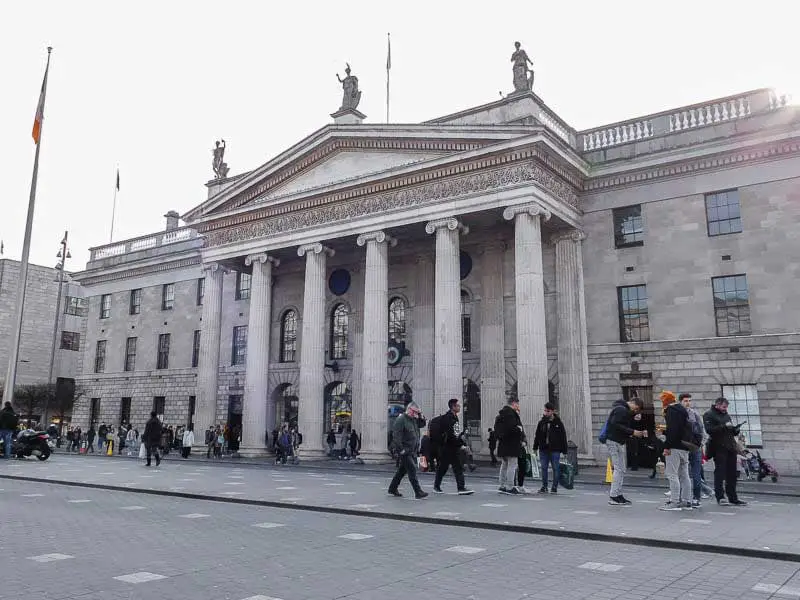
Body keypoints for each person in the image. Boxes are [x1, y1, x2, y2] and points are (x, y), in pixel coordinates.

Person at [704, 397, 746, 506]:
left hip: (730, 446)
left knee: (732, 474)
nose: (725, 409)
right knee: (720, 472)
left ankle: (733, 497)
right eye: (723, 407)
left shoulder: (726, 415)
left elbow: (730, 430)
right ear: (717, 405)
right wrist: (724, 426)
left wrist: (735, 430)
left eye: (726, 407)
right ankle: (720, 497)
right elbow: (709, 430)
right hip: (718, 447)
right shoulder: (709, 414)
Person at [604, 396, 646, 506]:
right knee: (619, 468)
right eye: (636, 408)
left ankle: (617, 493)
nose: (635, 410)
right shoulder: (620, 409)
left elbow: (621, 422)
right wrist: (632, 432)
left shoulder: (622, 409)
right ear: (632, 403)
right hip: (614, 441)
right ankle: (614, 495)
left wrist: (633, 417)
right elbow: (615, 424)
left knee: (621, 468)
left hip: (617, 441)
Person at [659, 391, 693, 511]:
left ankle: (674, 502)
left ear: (666, 401)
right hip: (685, 446)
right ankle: (686, 501)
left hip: (674, 446)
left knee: (672, 474)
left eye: (662, 401)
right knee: (684, 475)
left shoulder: (670, 411)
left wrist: (666, 447)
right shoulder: (682, 410)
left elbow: (673, 431)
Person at [388, 402, 428, 499]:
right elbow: (396, 436)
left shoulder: (413, 420)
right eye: (414, 411)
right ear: (409, 410)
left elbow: (422, 424)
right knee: (412, 469)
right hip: (405, 450)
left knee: (402, 471)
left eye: (416, 412)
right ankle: (418, 492)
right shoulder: (401, 420)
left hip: (412, 450)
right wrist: (401, 450)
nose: (415, 414)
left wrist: (420, 415)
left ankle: (392, 488)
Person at [433, 399, 474, 495]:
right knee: (450, 467)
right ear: (453, 407)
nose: (459, 407)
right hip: (448, 447)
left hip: (449, 447)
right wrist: (461, 445)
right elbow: (452, 435)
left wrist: (460, 442)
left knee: (452, 467)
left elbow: (455, 434)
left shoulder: (453, 417)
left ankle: (439, 486)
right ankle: (459, 488)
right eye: (458, 406)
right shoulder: (450, 419)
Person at [533, 402, 568, 494]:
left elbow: (563, 437)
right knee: (544, 468)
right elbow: (537, 435)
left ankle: (554, 487)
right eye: (545, 410)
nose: (546, 412)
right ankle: (544, 486)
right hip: (543, 448)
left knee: (555, 468)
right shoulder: (541, 422)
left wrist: (564, 450)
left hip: (555, 449)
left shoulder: (558, 423)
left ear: (552, 411)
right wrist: (535, 447)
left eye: (547, 411)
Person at [681, 394, 707, 507]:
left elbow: (702, 431)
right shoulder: (680, 414)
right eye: (686, 401)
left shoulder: (694, 414)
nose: (688, 403)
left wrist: (701, 444)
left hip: (693, 448)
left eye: (689, 401)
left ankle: (696, 498)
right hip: (684, 447)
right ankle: (686, 497)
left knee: (695, 474)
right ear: (680, 402)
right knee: (683, 474)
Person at [495, 397, 524, 495]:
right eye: (517, 404)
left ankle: (502, 485)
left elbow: (497, 430)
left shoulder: (500, 415)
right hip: (512, 444)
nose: (518, 406)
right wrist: (519, 429)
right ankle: (510, 486)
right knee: (512, 465)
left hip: (503, 443)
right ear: (514, 403)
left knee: (504, 465)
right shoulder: (511, 414)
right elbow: (512, 428)